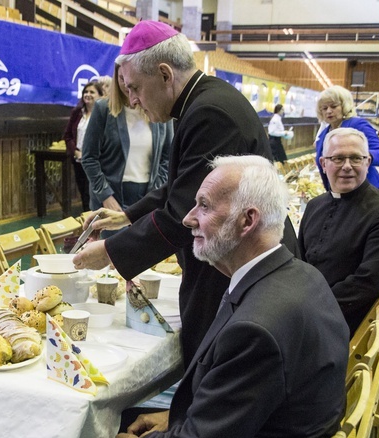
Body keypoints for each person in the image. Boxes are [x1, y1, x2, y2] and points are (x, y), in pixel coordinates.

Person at [69, 156, 349, 438]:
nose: (188, 218)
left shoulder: (256, 329)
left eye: (203, 206)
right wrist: (178, 418)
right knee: (121, 415)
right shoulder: (300, 275)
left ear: (248, 220)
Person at [73, 21, 287, 367]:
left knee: (210, 364)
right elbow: (182, 186)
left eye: (135, 88)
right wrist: (128, 215)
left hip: (233, 263)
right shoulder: (204, 101)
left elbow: (185, 213)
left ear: (164, 74)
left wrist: (110, 251)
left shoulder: (209, 113)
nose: (133, 99)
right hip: (230, 258)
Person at [299, 128, 379, 335]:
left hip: (345, 321)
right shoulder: (314, 206)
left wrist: (310, 307)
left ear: (367, 162)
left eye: (356, 158)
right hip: (306, 312)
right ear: (323, 163)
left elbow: (368, 281)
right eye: (338, 158)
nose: (347, 167)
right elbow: (299, 261)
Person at [81, 64, 172, 216]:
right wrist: (105, 195)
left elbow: (167, 157)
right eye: (121, 78)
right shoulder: (103, 109)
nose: (126, 83)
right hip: (111, 197)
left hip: (147, 196)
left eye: (131, 77)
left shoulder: (159, 109)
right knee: (111, 240)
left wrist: (156, 192)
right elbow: (89, 158)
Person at [314, 85, 379, 191]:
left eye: (333, 106)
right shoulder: (322, 136)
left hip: (366, 192)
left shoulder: (358, 125)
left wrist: (359, 157)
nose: (328, 111)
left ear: (344, 106)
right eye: (324, 108)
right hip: (339, 192)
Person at [63, 81, 104, 212]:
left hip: (96, 161)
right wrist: (75, 151)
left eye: (92, 92)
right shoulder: (77, 113)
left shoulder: (104, 114)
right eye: (86, 92)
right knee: (83, 193)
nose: (88, 94)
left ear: (100, 95)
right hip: (78, 160)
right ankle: (87, 220)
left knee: (93, 192)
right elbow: (68, 135)